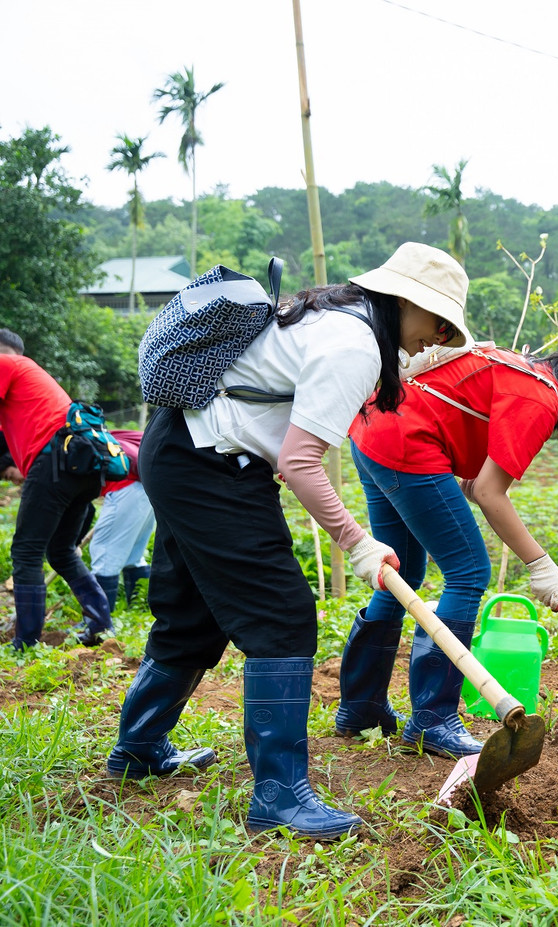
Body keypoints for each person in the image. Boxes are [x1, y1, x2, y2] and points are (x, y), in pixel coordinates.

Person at [105, 242, 471, 841]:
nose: (436, 338)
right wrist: (358, 543)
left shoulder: (335, 316)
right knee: (283, 614)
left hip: (180, 449)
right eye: (439, 323)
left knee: (193, 613)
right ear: (406, 302)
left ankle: (139, 749)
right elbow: (300, 463)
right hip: (208, 464)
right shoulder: (355, 344)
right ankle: (279, 796)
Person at [338, 338, 558, 757]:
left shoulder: (525, 372)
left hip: (372, 431)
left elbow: (477, 480)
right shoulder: (541, 398)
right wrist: (539, 563)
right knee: (469, 571)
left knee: (398, 573)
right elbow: (490, 493)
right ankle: (433, 720)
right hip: (406, 446)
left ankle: (361, 709)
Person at [0, 328, 114, 649]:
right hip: (82, 464)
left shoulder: (7, 364)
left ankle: (26, 641)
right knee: (61, 551)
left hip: (54, 460)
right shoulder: (28, 375)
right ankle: (100, 624)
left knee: (26, 552)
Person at [90, 430, 156, 609]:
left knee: (103, 553)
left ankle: (100, 618)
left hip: (126, 486)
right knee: (134, 554)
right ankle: (139, 609)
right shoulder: (104, 434)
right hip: (148, 485)